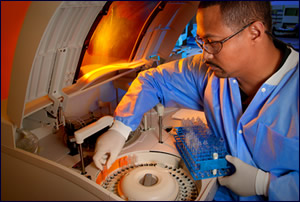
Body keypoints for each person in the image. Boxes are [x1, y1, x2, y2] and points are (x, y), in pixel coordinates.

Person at [93, 1, 299, 201]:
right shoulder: (209, 73)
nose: (206, 55)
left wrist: (265, 184)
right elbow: (151, 81)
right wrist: (120, 128)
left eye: (213, 42)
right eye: (202, 42)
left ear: (254, 32)